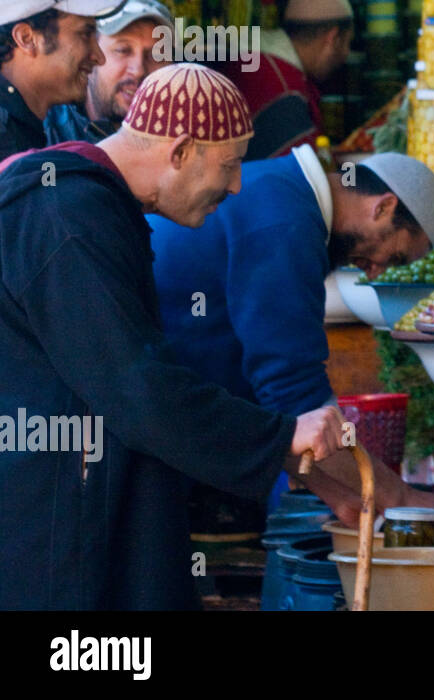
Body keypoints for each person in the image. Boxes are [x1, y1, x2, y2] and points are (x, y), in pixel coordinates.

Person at [0, 64, 346, 609]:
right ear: (181, 150)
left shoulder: (92, 203)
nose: (236, 186)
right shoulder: (66, 213)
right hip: (53, 518)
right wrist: (277, 437)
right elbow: (136, 388)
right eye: (230, 165)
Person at [149, 146, 434, 517]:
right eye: (396, 256)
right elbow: (292, 395)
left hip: (160, 418)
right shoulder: (285, 222)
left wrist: (343, 496)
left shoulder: (286, 193)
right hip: (143, 425)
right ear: (383, 207)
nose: (375, 272)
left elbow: (281, 415)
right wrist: (399, 498)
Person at [0, 0, 126, 160]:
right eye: (85, 34)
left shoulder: (22, 125)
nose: (99, 58)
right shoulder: (5, 139)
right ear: (27, 38)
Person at [222, 0, 354, 161]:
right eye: (347, 43)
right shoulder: (284, 89)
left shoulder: (259, 60)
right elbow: (303, 177)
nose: (346, 54)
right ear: (332, 38)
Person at [45, 0, 174, 143]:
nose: (138, 70)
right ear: (90, 56)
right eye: (122, 51)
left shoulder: (186, 138)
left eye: (155, 55)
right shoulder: (46, 135)